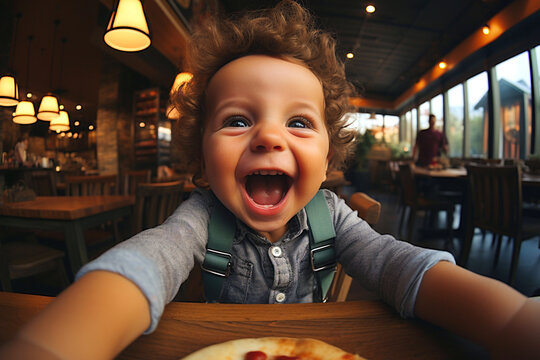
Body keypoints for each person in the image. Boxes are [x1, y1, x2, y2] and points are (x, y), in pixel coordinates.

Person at [1, 1, 539, 359]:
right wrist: (55, 345)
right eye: (238, 120)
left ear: (329, 157)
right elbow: (144, 263)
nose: (268, 136)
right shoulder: (201, 218)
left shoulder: (333, 217)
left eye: (299, 122)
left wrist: (511, 318)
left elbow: (399, 265)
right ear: (202, 160)